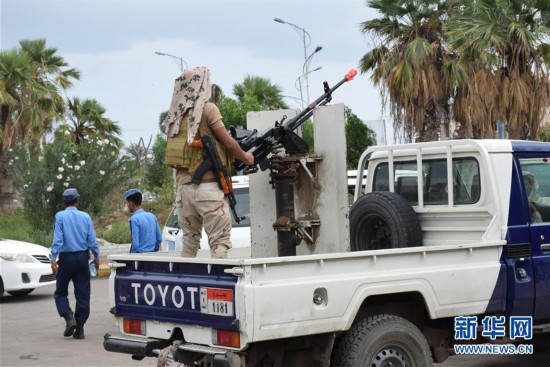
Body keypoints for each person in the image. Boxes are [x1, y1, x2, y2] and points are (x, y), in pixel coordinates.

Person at [163, 66, 254, 258]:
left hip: (183, 192)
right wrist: (246, 157)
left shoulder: (176, 114)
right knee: (219, 243)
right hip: (207, 188)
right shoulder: (207, 109)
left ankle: (186, 284)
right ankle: (217, 285)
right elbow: (229, 144)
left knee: (189, 243)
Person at [51, 188, 99, 340]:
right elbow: (92, 239)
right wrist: (96, 256)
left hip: (66, 258)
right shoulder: (85, 216)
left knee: (60, 291)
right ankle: (80, 328)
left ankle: (68, 317)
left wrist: (53, 259)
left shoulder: (60, 216)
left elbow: (58, 239)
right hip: (82, 258)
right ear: (77, 201)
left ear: (64, 202)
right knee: (83, 293)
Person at [124, 188, 162, 253]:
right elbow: (159, 239)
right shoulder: (152, 216)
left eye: (127, 202)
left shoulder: (134, 219)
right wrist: (154, 251)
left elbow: (135, 244)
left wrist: (131, 256)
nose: (127, 205)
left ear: (131, 203)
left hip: (140, 259)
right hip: (153, 256)